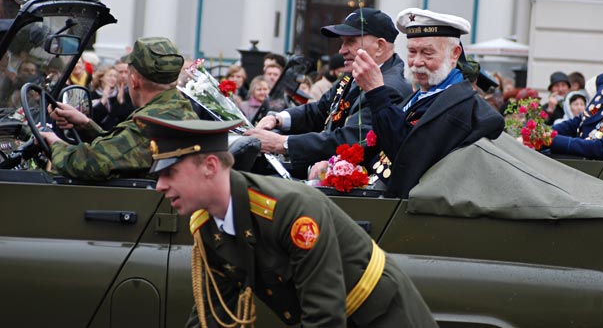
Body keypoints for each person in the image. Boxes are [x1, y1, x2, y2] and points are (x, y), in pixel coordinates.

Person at [135, 115, 438, 328]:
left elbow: (323, 318)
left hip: (380, 316)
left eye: (170, 173)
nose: (160, 186)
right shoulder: (208, 223)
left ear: (210, 166)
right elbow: (215, 314)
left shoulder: (291, 212)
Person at [349, 8, 505, 198]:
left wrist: (376, 92)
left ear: (455, 54)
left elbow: (406, 156)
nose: (417, 62)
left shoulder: (459, 106)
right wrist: (340, 164)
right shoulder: (422, 95)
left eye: (428, 53)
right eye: (412, 52)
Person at [246, 8, 412, 178]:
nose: (342, 50)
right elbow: (320, 109)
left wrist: (282, 143)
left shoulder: (388, 87)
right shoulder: (354, 74)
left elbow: (351, 138)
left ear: (380, 46)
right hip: (321, 169)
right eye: (342, 42)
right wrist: (278, 119)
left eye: (351, 41)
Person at [40, 37, 199, 180]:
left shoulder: (150, 123)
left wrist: (54, 143)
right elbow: (127, 150)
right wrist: (86, 124)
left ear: (134, 80)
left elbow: (90, 163)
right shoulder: (178, 108)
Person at [90, 66, 135, 131]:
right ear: (101, 78)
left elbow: (127, 118)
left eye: (115, 76)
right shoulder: (92, 94)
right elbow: (92, 118)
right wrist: (103, 100)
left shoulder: (122, 94)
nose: (113, 79)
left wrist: (120, 102)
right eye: (110, 76)